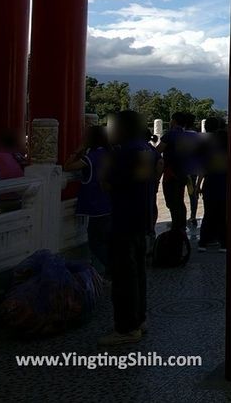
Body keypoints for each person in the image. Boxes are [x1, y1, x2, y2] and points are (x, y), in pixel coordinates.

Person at [99, 110, 159, 346]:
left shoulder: (124, 153)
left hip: (124, 218)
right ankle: (139, 319)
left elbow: (106, 183)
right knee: (137, 273)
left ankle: (126, 327)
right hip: (141, 217)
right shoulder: (146, 149)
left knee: (124, 276)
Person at [64, 125, 112, 273]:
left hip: (96, 205)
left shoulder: (91, 157)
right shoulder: (111, 154)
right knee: (106, 240)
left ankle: (114, 268)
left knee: (96, 242)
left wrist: (77, 151)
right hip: (111, 203)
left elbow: (67, 167)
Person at [157, 112, 201, 231]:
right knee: (180, 200)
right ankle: (182, 223)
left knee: (172, 201)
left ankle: (177, 225)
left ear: (174, 121)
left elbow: (158, 150)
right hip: (185, 172)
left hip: (171, 172)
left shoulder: (170, 134)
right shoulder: (187, 135)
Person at [198, 121, 228, 252]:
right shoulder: (230, 154)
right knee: (223, 216)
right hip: (224, 186)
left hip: (209, 185)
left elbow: (203, 170)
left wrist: (198, 185)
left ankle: (203, 242)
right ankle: (224, 243)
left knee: (208, 214)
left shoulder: (210, 153)